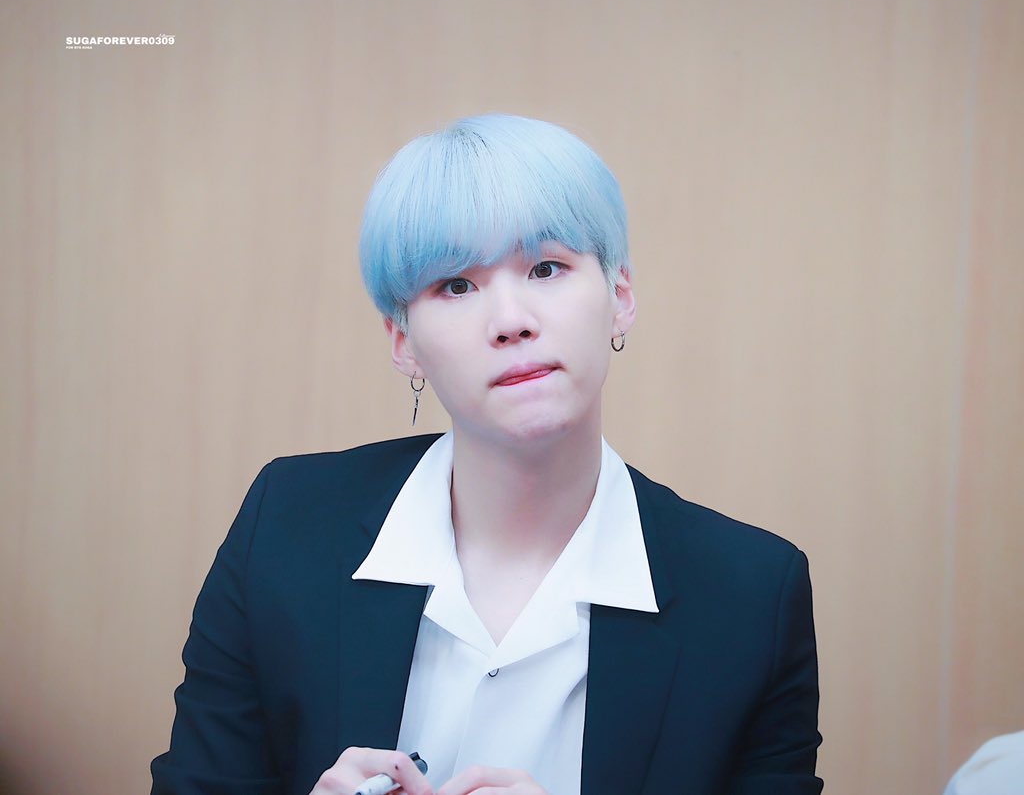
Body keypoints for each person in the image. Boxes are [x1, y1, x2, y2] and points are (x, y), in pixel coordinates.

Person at [151, 113, 822, 795]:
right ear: (403, 342)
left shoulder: (753, 597)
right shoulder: (285, 527)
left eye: (547, 268)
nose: (511, 321)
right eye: (456, 286)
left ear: (620, 297)